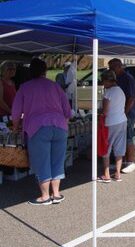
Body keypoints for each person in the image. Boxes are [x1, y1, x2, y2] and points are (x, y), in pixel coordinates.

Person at [12, 58, 71, 205]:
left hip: (37, 128)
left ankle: (45, 196)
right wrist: (64, 123)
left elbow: (15, 112)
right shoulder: (56, 86)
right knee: (57, 160)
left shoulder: (24, 87)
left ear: (30, 71)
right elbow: (68, 111)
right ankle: (56, 194)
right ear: (45, 71)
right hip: (59, 126)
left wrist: (15, 127)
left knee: (42, 161)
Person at [98, 70, 127, 182]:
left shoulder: (108, 93)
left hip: (111, 122)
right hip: (122, 120)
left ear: (107, 81)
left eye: (103, 81)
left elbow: (105, 111)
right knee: (119, 147)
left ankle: (106, 175)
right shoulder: (120, 91)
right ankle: (118, 173)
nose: (102, 84)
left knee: (106, 147)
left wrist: (100, 112)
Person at [108, 58, 135, 174]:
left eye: (112, 68)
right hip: (119, 113)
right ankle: (122, 160)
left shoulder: (128, 78)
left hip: (127, 113)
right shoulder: (117, 78)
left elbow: (132, 98)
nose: (110, 70)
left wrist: (124, 112)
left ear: (119, 66)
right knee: (120, 138)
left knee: (129, 136)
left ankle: (131, 161)